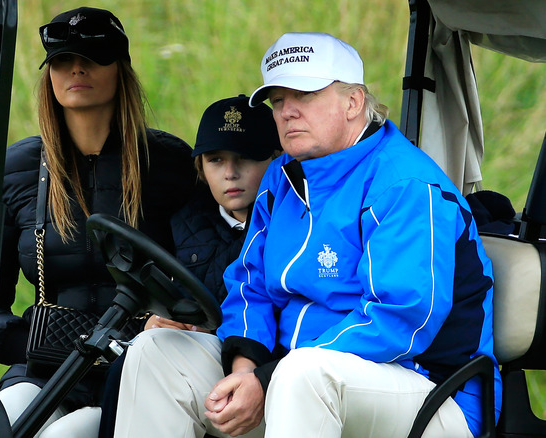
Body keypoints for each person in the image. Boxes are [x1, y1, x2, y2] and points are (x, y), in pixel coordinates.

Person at [114, 32, 501, 438]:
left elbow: (401, 318)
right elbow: (251, 288)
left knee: (303, 374)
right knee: (156, 353)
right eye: (279, 100)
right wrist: (246, 369)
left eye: (305, 95)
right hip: (293, 378)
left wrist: (266, 379)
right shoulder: (281, 179)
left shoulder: (404, 184)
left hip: (433, 391)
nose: (286, 112)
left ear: (353, 102)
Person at [0, 7, 197, 437]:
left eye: (92, 57)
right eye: (62, 60)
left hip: (141, 370)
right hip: (43, 370)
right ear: (49, 76)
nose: (76, 68)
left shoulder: (171, 164)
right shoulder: (15, 168)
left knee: (70, 433)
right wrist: (41, 341)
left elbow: (206, 275)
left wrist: (163, 329)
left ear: (121, 70)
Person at [97, 94, 281, 437]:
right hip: (194, 365)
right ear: (200, 167)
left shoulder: (292, 227)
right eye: (215, 160)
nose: (230, 173)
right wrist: (157, 321)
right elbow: (170, 295)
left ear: (277, 159)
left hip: (266, 375)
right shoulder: (184, 223)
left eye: (246, 158)